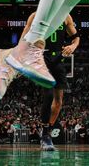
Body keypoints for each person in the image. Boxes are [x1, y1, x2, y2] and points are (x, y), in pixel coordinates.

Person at [20, 12, 80, 151]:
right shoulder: (36, 15)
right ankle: (46, 135)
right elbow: (23, 37)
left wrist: (73, 46)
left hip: (59, 59)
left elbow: (76, 38)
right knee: (48, 96)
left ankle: (47, 132)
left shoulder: (65, 16)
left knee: (59, 101)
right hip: (42, 58)